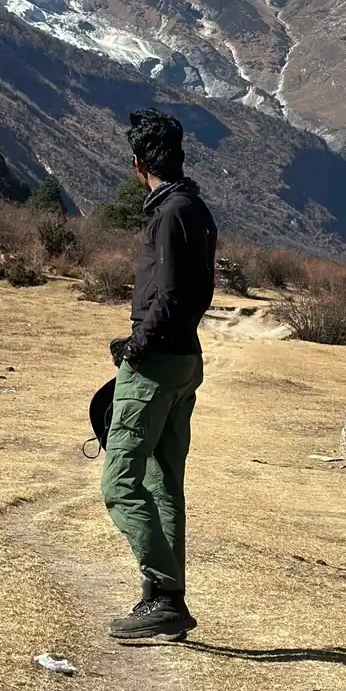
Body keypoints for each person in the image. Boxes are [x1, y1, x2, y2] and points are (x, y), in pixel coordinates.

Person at [100, 109, 217, 641]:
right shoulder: (195, 208)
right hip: (185, 360)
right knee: (163, 481)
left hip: (157, 361)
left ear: (138, 163)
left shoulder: (169, 213)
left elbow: (166, 295)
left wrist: (135, 347)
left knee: (121, 481)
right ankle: (163, 598)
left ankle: (165, 595)